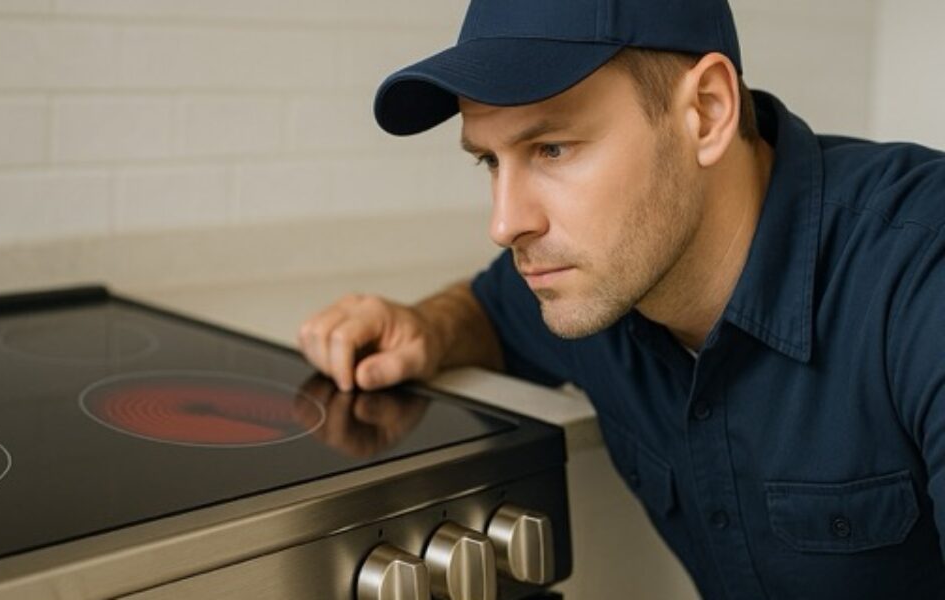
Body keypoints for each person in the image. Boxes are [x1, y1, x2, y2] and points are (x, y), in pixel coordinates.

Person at [296, 0, 945, 598]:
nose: (505, 223)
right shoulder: (593, 273)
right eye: (490, 161)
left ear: (708, 112)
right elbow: (489, 314)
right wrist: (427, 326)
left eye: (552, 148)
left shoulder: (921, 273)